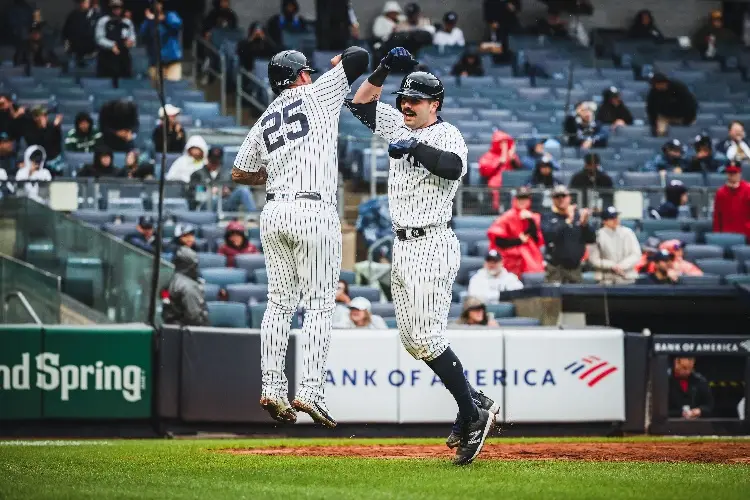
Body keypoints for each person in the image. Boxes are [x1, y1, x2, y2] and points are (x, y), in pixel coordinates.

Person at [347, 49, 498, 465]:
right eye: (403, 98)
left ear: (435, 104)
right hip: (404, 244)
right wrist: (381, 70)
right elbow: (359, 105)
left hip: (432, 242)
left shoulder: (446, 134)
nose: (406, 104)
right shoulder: (397, 121)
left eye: (415, 100)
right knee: (413, 341)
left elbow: (452, 168)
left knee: (427, 338)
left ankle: (471, 413)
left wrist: (412, 145)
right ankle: (473, 400)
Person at [232, 45, 369, 427]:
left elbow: (240, 173)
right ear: (301, 75)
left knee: (279, 305)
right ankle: (310, 390)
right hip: (312, 209)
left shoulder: (265, 117)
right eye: (307, 70)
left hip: (274, 211)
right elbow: (361, 57)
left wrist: (274, 177)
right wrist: (341, 61)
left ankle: (272, 387)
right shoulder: (318, 92)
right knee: (320, 305)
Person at [541, 186, 595, 284]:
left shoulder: (578, 216)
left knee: (576, 298)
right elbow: (549, 235)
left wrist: (584, 224)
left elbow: (591, 239)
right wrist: (568, 220)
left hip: (575, 268)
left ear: (569, 198)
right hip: (555, 269)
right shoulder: (547, 217)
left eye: (564, 196)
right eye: (557, 196)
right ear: (553, 199)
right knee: (553, 298)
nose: (561, 199)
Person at [488, 187, 545, 279]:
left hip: (529, 260)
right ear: (515, 199)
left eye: (525, 198)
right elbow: (498, 241)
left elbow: (537, 240)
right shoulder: (506, 217)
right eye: (520, 198)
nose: (522, 201)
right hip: (510, 260)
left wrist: (530, 221)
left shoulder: (533, 217)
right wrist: (518, 241)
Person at [190, 146, 256, 212]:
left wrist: (227, 192)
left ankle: (253, 218)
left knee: (243, 190)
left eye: (217, 160)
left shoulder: (227, 174)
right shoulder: (198, 174)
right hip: (206, 204)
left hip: (224, 203)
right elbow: (192, 195)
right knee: (213, 200)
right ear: (208, 159)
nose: (215, 163)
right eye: (213, 160)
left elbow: (234, 190)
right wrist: (210, 192)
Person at [589, 206, 641, 285]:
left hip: (627, 277)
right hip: (606, 279)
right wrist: (612, 265)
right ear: (604, 221)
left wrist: (621, 266)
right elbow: (594, 259)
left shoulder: (628, 232)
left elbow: (636, 254)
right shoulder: (598, 235)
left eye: (616, 217)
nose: (615, 220)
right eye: (611, 218)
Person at [162, 247, 209, 326]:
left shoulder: (170, 278)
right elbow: (194, 316)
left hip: (170, 326)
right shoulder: (189, 286)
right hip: (186, 331)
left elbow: (164, 296)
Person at [95, 0, 136, 85]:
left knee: (125, 82)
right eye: (114, 8)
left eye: (119, 8)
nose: (117, 10)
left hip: (123, 57)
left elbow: (132, 37)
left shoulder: (127, 22)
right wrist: (112, 45)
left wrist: (130, 42)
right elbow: (99, 38)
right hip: (107, 57)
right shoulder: (103, 21)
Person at [479, 129, 521, 211]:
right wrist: (499, 162)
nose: (504, 145)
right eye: (502, 142)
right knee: (495, 185)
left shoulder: (511, 155)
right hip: (495, 183)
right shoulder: (488, 155)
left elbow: (518, 169)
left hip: (511, 181)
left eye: (506, 142)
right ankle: (496, 209)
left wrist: (513, 159)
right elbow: (484, 171)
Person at [140, 0, 183, 82]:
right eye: (154, 3)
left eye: (158, 3)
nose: (156, 5)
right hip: (155, 62)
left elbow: (177, 24)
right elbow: (143, 34)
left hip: (172, 60)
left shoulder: (170, 15)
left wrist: (163, 19)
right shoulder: (149, 21)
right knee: (155, 90)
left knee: (173, 86)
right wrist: (149, 20)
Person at [646, 73, 698, 137]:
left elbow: (691, 104)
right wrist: (654, 125)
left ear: (664, 83)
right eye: (655, 85)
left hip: (684, 116)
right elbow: (650, 109)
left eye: (658, 84)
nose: (657, 86)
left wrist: (687, 120)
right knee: (660, 132)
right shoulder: (653, 92)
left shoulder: (678, 87)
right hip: (664, 117)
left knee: (688, 132)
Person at [712, 161, 750, 243]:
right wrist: (717, 237)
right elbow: (717, 217)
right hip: (726, 236)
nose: (732, 175)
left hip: (746, 235)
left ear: (739, 173)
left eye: (734, 172)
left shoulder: (748, 190)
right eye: (730, 172)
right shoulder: (720, 193)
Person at [21, 106, 63, 176]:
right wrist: (43, 129)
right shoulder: (29, 129)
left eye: (45, 115)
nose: (44, 117)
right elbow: (37, 146)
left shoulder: (52, 128)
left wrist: (55, 127)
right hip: (35, 161)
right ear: (35, 118)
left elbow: (56, 146)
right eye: (42, 115)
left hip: (51, 161)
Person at [63, 0, 99, 67]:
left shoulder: (95, 15)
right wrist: (67, 48)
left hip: (92, 53)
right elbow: (66, 33)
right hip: (75, 52)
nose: (83, 4)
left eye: (85, 2)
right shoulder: (73, 15)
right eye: (81, 2)